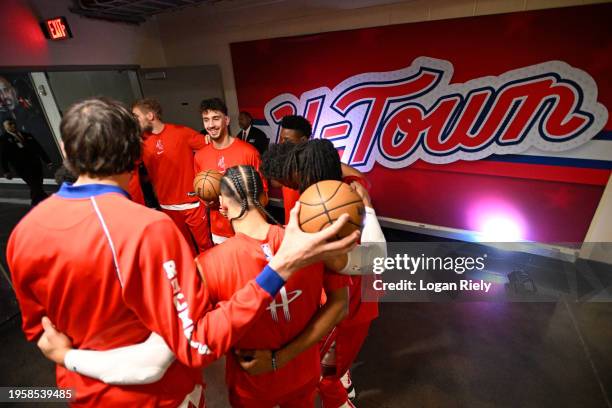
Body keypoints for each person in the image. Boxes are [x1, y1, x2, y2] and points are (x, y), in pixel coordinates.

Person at [7, 97, 360, 407]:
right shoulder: (152, 230)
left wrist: (70, 359)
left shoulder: (22, 234)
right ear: (136, 154)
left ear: (66, 152)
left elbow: (41, 333)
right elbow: (196, 345)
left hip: (83, 393)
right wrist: (279, 269)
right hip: (164, 397)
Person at [37, 165, 352, 408]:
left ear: (222, 208)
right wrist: (283, 358)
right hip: (304, 371)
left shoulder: (205, 266)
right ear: (264, 196)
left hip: (252, 383)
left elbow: (180, 346)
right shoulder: (311, 246)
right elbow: (339, 304)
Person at [261, 139, 386, 408]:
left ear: (304, 170)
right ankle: (344, 376)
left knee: (319, 374)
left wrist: (369, 210)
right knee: (330, 364)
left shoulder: (338, 200)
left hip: (351, 299)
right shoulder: (333, 184)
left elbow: (375, 259)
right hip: (349, 294)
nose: (284, 187)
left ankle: (340, 393)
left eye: (285, 179)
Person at [133, 98, 212, 253]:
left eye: (136, 116)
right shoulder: (141, 143)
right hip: (166, 205)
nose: (134, 121)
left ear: (150, 115)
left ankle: (212, 276)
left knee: (205, 247)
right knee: (183, 248)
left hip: (192, 203)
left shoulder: (182, 132)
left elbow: (211, 148)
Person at [194, 98, 264, 244]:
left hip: (249, 229)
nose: (211, 125)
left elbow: (264, 196)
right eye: (206, 120)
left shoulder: (249, 152)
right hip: (219, 231)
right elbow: (200, 192)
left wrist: (238, 207)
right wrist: (209, 200)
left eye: (216, 118)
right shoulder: (200, 156)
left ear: (226, 120)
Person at [274, 115, 367, 223]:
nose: (282, 143)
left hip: (315, 227)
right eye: (281, 139)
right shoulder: (287, 162)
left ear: (303, 140)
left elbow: (359, 176)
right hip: (291, 228)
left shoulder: (315, 163)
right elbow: (275, 183)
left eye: (287, 140)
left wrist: (352, 186)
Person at [1, 118, 52, 205]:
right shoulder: (3, 140)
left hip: (36, 165)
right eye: (9, 124)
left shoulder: (27, 135)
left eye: (13, 123)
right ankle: (44, 202)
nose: (13, 125)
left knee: (38, 184)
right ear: (4, 127)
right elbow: (2, 156)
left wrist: (48, 161)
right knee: (34, 185)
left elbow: (39, 148)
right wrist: (6, 171)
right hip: (22, 168)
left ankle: (36, 202)